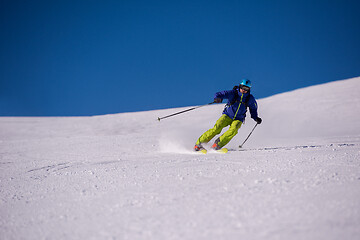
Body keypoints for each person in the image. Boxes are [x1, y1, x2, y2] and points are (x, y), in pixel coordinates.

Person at [194, 79, 262, 151]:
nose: (244, 90)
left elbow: (253, 108)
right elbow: (220, 94)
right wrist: (217, 98)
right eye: (242, 87)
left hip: (238, 119)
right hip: (227, 115)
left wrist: (255, 118)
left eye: (246, 89)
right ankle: (199, 144)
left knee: (233, 130)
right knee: (217, 128)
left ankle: (217, 145)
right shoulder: (233, 93)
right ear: (239, 86)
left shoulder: (250, 98)